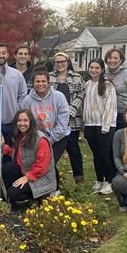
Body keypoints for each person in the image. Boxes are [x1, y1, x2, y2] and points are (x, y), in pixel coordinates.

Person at [1, 109, 56, 209]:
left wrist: (27, 177)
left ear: (31, 122)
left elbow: (42, 166)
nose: (22, 124)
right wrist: (4, 147)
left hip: (41, 179)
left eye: (25, 120)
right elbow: (16, 155)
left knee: (13, 194)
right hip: (26, 173)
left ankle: (41, 196)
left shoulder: (40, 139)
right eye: (19, 120)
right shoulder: (19, 137)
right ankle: (15, 195)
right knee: (8, 167)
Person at [21, 67, 70, 171]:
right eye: (37, 81)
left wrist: (50, 140)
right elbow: (25, 122)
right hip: (37, 139)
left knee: (50, 163)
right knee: (41, 164)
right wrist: (38, 140)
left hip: (58, 138)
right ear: (33, 83)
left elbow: (63, 123)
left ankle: (54, 186)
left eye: (43, 81)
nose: (41, 84)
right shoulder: (27, 100)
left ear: (48, 82)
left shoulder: (59, 97)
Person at [49, 52, 85, 184]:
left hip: (72, 120)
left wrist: (70, 111)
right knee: (53, 150)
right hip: (53, 121)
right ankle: (52, 177)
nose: (60, 64)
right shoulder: (49, 77)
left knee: (73, 149)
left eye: (62, 61)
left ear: (68, 62)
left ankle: (79, 177)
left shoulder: (77, 77)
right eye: (57, 62)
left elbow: (81, 94)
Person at [82, 58, 117, 194]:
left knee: (104, 154)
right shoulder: (88, 84)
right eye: (91, 67)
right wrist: (84, 125)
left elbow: (110, 107)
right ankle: (99, 180)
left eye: (97, 68)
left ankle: (109, 181)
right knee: (96, 154)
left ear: (102, 70)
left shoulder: (108, 86)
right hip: (90, 125)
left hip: (104, 125)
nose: (94, 70)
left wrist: (105, 126)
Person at [0, 42, 28, 143]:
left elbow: (23, 94)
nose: (1, 55)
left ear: (8, 55)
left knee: (11, 155)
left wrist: (17, 109)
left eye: (3, 53)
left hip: (12, 123)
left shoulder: (17, 74)